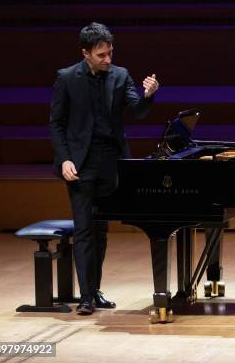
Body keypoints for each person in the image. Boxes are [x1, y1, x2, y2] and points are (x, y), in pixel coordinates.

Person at [49, 22, 160, 315]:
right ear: (85, 53)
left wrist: (149, 95)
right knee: (84, 230)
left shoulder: (120, 76)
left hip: (111, 162)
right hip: (80, 164)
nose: (108, 59)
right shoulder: (67, 78)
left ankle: (94, 290)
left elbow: (136, 110)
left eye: (110, 53)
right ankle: (85, 297)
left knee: (101, 230)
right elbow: (57, 123)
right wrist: (65, 159)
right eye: (101, 55)